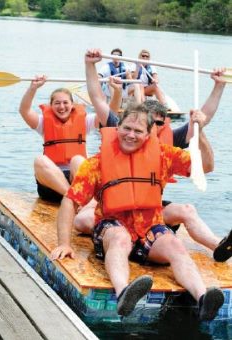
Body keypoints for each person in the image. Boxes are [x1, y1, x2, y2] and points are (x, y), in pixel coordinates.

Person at [50, 102, 224, 320]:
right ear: (118, 128)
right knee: (120, 238)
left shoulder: (162, 156)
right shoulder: (96, 164)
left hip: (149, 229)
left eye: (138, 131)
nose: (131, 135)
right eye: (127, 128)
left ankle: (203, 299)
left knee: (175, 245)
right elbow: (70, 202)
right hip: (113, 226)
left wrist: (202, 133)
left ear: (148, 134)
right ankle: (124, 293)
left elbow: (205, 167)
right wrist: (64, 243)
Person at [75, 49, 232, 263]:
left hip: (151, 210)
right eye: (152, 122)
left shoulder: (169, 141)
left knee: (187, 210)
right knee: (83, 220)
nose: (155, 127)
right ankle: (118, 240)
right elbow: (97, 99)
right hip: (117, 209)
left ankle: (220, 246)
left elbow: (204, 118)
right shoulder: (126, 131)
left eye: (160, 123)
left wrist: (219, 85)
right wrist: (90, 66)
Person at [19, 75, 115, 202]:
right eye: (57, 103)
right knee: (39, 160)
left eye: (65, 102)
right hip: (52, 186)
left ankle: (74, 198)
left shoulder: (85, 121)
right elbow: (24, 111)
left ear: (72, 105)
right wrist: (33, 88)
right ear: (51, 105)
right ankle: (72, 197)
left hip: (77, 181)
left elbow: (109, 114)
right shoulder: (43, 123)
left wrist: (117, 91)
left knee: (79, 160)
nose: (61, 107)